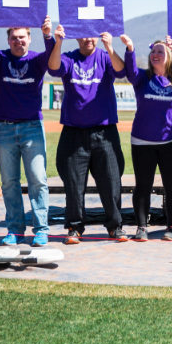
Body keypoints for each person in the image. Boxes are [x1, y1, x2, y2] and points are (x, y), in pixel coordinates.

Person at [0, 10, 55, 246]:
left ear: (29, 38)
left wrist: (48, 36)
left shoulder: (36, 60)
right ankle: (15, 230)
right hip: (3, 129)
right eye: (14, 38)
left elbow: (52, 59)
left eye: (22, 37)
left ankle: (41, 230)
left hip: (32, 127)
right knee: (9, 182)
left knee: (38, 180)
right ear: (8, 40)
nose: (18, 41)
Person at [48, 27, 127, 245]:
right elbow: (53, 68)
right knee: (74, 185)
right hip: (74, 132)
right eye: (83, 34)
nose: (88, 39)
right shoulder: (69, 58)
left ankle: (115, 226)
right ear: (77, 37)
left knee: (111, 182)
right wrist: (58, 42)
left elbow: (121, 71)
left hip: (105, 131)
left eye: (92, 34)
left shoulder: (105, 57)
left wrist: (110, 47)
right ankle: (74, 227)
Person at [122, 35, 172, 241]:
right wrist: (130, 49)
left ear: (169, 57)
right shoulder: (142, 77)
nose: (155, 54)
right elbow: (131, 71)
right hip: (142, 141)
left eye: (160, 51)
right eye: (153, 51)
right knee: (143, 186)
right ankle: (142, 227)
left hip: (171, 141)